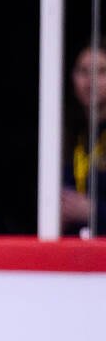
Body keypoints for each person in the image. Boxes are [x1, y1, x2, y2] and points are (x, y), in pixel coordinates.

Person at [62, 43, 105, 234]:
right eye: (83, 71)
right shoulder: (64, 134)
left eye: (101, 71)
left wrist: (93, 211)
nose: (91, 80)